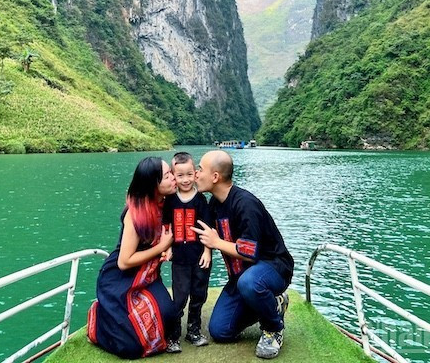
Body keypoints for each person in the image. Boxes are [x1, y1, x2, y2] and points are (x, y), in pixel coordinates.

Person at [192, 150, 294, 360]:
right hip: (241, 278)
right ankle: (273, 304)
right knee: (221, 331)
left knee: (250, 283)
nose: (195, 174)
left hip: (272, 267)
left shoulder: (245, 204)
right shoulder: (215, 204)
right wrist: (207, 249)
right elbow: (204, 229)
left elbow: (249, 253)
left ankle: (273, 328)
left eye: (200, 169)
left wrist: (216, 243)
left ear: (215, 177)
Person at [87, 157, 178, 358]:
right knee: (131, 348)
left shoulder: (168, 202)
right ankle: (98, 318)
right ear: (153, 185)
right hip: (121, 278)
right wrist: (162, 246)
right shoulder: (135, 213)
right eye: (167, 176)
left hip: (149, 274)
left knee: (169, 316)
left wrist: (168, 249)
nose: (174, 179)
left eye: (172, 173)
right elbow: (124, 261)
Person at [162, 152, 212, 352]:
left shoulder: (201, 200)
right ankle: (173, 336)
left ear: (195, 173)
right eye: (180, 175)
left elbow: (208, 228)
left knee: (199, 294)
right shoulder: (170, 200)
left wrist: (208, 251)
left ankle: (194, 331)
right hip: (180, 260)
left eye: (189, 174)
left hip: (199, 256)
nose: (185, 180)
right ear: (174, 175)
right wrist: (166, 247)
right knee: (179, 297)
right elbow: (166, 227)